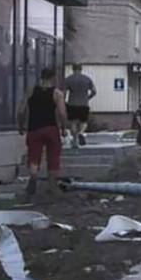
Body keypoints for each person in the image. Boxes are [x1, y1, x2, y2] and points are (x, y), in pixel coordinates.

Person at [17, 67, 68, 197]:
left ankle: (33, 178)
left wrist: (20, 125)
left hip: (34, 128)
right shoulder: (57, 94)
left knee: (34, 155)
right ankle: (52, 185)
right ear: (53, 78)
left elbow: (21, 110)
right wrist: (63, 128)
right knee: (53, 156)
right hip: (51, 128)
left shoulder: (30, 91)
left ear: (41, 77)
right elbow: (62, 113)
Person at [64, 64, 96, 148]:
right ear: (81, 69)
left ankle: (75, 141)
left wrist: (64, 102)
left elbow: (64, 92)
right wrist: (88, 98)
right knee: (84, 122)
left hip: (72, 104)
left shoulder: (68, 79)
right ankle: (81, 132)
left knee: (73, 123)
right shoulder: (87, 79)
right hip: (84, 104)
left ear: (72, 69)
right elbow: (94, 91)